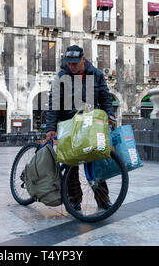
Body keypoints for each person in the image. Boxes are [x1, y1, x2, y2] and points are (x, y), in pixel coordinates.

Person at [45, 45, 116, 211]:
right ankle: (74, 199)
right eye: (69, 63)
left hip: (89, 124)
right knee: (71, 163)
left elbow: (105, 98)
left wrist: (109, 114)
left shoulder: (96, 75)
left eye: (75, 63)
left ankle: (103, 198)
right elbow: (53, 104)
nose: (72, 66)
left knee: (96, 159)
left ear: (83, 59)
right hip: (68, 124)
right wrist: (50, 127)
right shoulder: (61, 77)